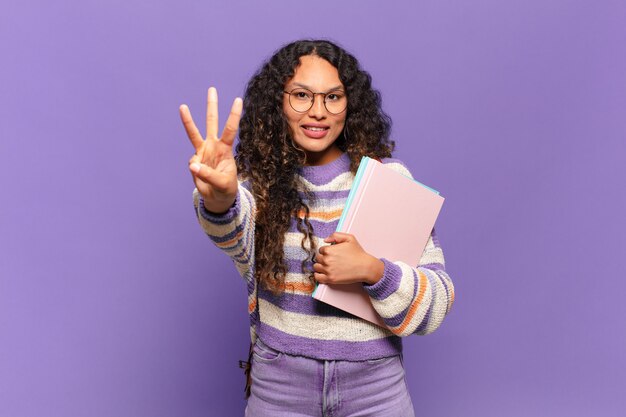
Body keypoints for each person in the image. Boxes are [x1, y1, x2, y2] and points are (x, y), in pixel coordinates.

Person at [179, 39, 455, 417]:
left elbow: (435, 304)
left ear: (350, 105)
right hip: (280, 388)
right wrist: (220, 198)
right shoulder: (257, 183)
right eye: (301, 95)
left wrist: (373, 271)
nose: (318, 111)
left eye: (333, 97)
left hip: (375, 391)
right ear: (278, 102)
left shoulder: (387, 180)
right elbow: (232, 231)